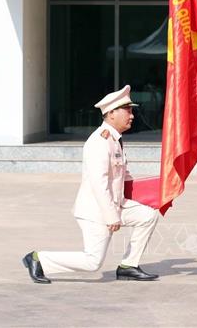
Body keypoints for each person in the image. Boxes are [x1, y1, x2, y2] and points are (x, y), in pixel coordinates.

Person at [22, 85, 160, 282]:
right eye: (127, 111)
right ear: (111, 114)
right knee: (92, 262)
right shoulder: (99, 142)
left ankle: (128, 266)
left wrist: (151, 193)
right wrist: (111, 216)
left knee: (147, 215)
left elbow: (124, 175)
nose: (132, 116)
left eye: (132, 111)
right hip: (96, 210)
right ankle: (39, 259)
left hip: (115, 204)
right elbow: (99, 183)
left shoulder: (114, 139)